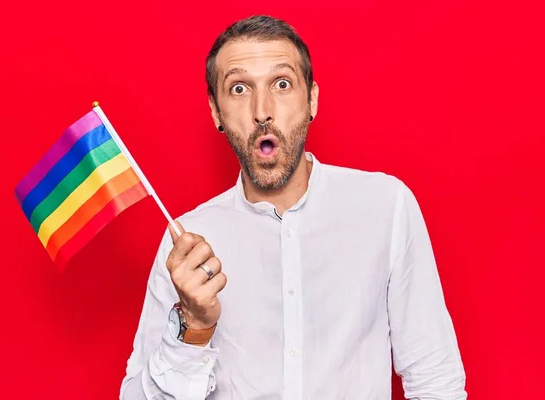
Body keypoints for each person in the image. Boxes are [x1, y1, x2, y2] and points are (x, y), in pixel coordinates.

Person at [119, 15, 467, 400]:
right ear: (216, 111)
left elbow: (436, 381)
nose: (262, 110)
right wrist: (194, 328)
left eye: (282, 84)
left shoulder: (386, 207)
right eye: (238, 88)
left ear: (312, 99)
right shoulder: (184, 244)